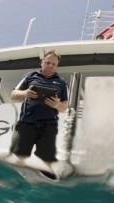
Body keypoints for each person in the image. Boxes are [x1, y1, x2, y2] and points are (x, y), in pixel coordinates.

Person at [10, 50, 69, 178]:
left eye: (54, 64)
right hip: (26, 124)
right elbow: (13, 95)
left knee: (46, 163)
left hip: (48, 127)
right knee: (18, 157)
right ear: (42, 62)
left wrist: (57, 105)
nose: (50, 66)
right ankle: (11, 181)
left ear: (57, 66)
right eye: (48, 62)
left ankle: (46, 186)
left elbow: (65, 108)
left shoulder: (62, 83)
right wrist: (25, 93)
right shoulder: (29, 76)